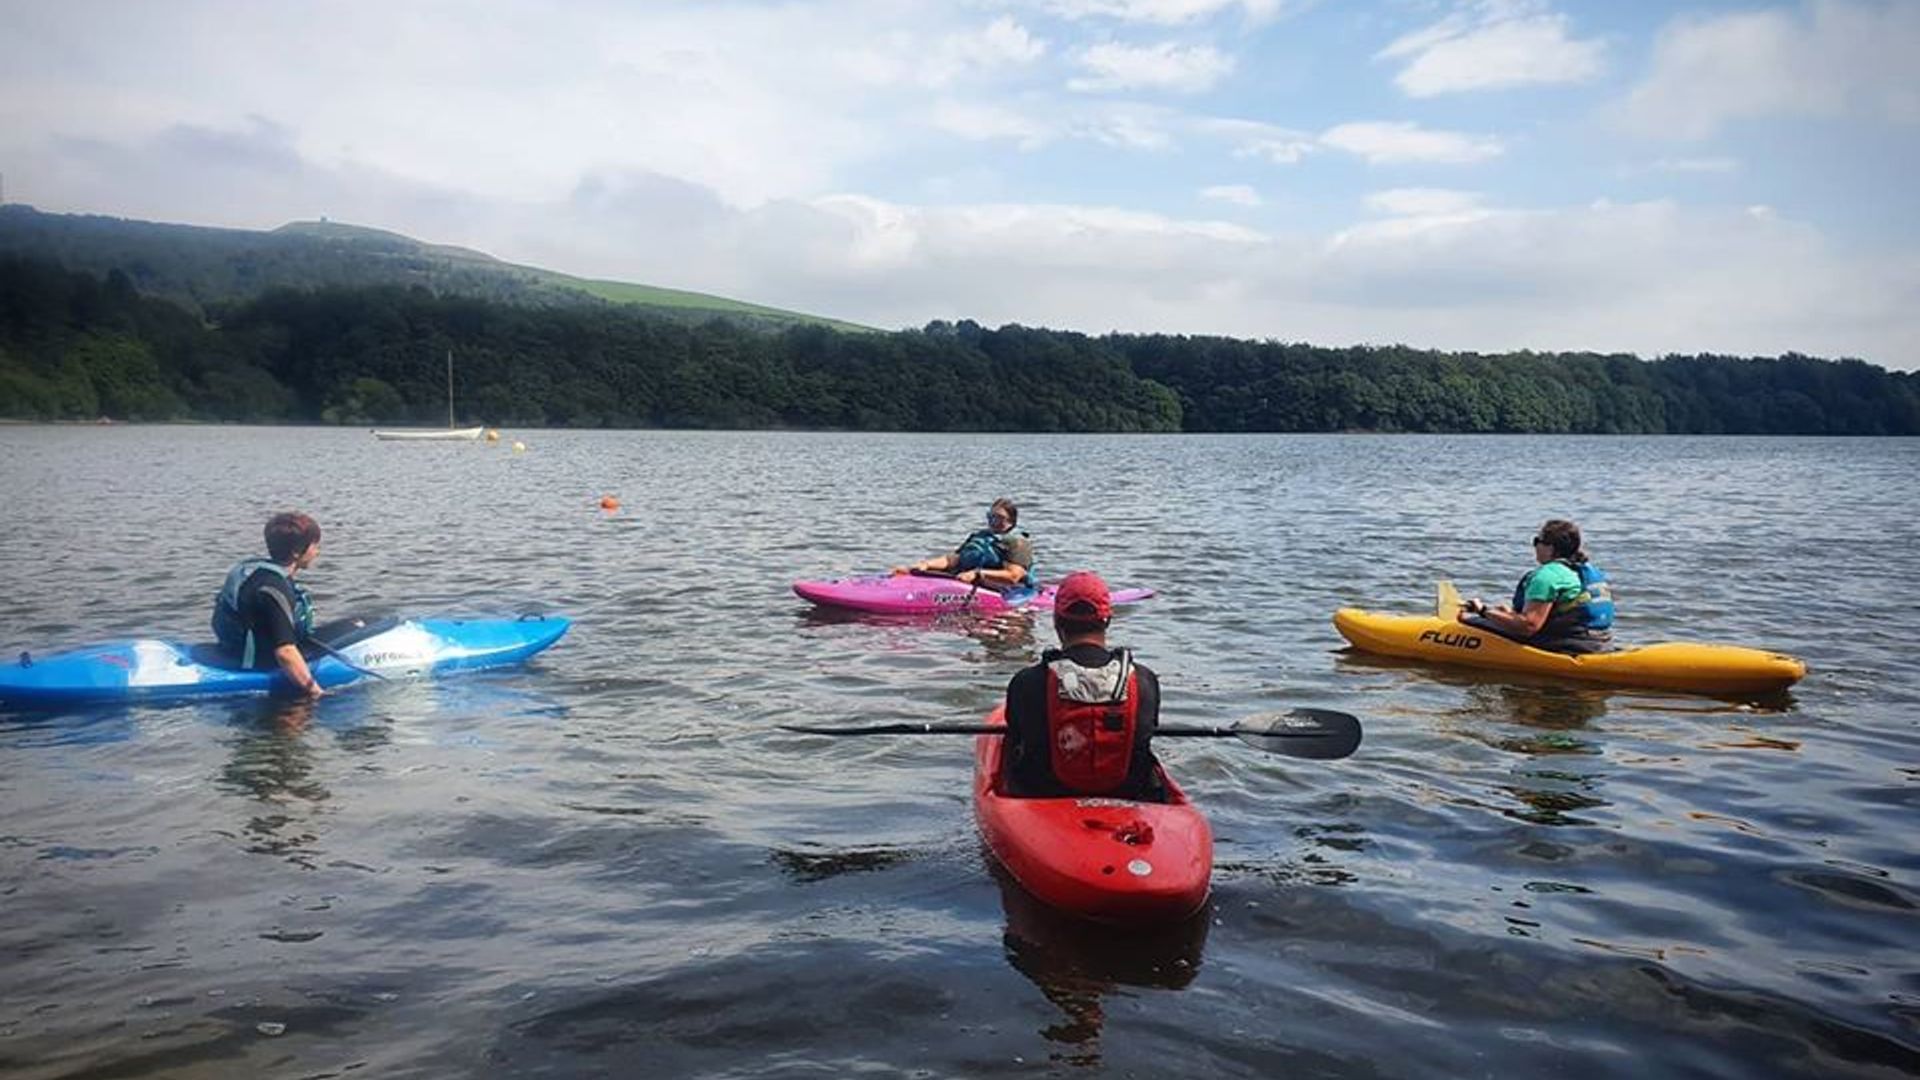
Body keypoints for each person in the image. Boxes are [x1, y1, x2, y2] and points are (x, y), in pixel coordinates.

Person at [1000, 571, 1166, 802]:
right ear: (1107, 620)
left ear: (1057, 622)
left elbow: (1014, 738)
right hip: (1129, 795)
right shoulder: (1145, 680)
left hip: (1044, 796)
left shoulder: (1026, 682)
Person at [1459, 518, 1614, 654]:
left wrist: (1483, 611)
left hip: (1571, 645)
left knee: (1471, 623)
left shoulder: (1547, 576)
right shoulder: (1583, 570)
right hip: (1601, 641)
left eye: (1536, 541)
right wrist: (1508, 614)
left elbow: (1528, 626)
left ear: (1550, 547)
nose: (1535, 547)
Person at [212, 511, 325, 697]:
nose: (317, 551)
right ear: (297, 552)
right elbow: (285, 652)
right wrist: (316, 692)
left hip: (234, 648)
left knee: (356, 625)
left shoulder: (256, 571)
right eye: (315, 545)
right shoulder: (274, 589)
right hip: (257, 662)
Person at [893, 497, 1034, 589]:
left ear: (1011, 522)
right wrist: (924, 565)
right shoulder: (980, 537)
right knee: (916, 572)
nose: (993, 522)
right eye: (990, 517)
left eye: (998, 518)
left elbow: (1014, 576)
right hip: (965, 581)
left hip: (1003, 591)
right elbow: (954, 559)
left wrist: (978, 574)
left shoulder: (1017, 543)